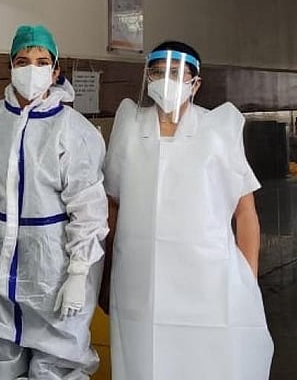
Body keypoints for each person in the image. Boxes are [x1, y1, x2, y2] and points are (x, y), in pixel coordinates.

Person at [103, 41, 273, 380]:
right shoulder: (130, 129)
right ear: (147, 77)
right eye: (159, 72)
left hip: (209, 282)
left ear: (195, 83)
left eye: (178, 74)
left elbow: (245, 213)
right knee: (143, 361)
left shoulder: (218, 130)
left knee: (208, 362)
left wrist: (247, 280)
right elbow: (112, 203)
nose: (167, 80)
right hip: (140, 284)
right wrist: (103, 273)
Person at [0, 25, 108, 380]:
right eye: (22, 61)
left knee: (58, 365)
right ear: (10, 66)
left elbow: (88, 208)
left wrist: (78, 273)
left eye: (41, 62)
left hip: (53, 270)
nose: (31, 70)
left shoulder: (73, 130)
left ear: (55, 71)